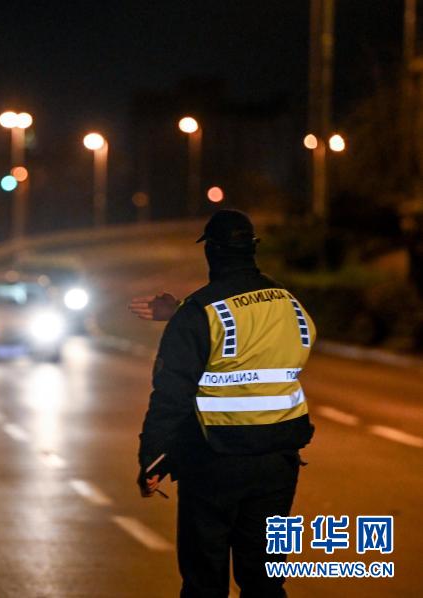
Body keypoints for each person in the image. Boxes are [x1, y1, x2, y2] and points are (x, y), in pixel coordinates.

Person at [131, 209, 315, 598]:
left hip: (214, 461)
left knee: (204, 581)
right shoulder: (290, 303)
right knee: (264, 580)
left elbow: (170, 394)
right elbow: (252, 330)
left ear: (211, 252)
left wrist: (153, 458)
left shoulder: (199, 313)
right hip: (278, 461)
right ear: (252, 249)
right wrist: (183, 312)